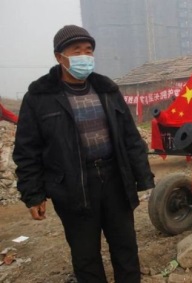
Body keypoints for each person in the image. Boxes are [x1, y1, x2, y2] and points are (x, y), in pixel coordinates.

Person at [13, 25, 155, 283]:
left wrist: (143, 176)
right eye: (76, 50)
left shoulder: (107, 90)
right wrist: (33, 194)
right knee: (85, 255)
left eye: (88, 51)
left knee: (126, 247)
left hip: (115, 179)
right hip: (72, 186)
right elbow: (27, 150)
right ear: (59, 57)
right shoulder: (39, 97)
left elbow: (129, 136)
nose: (84, 56)